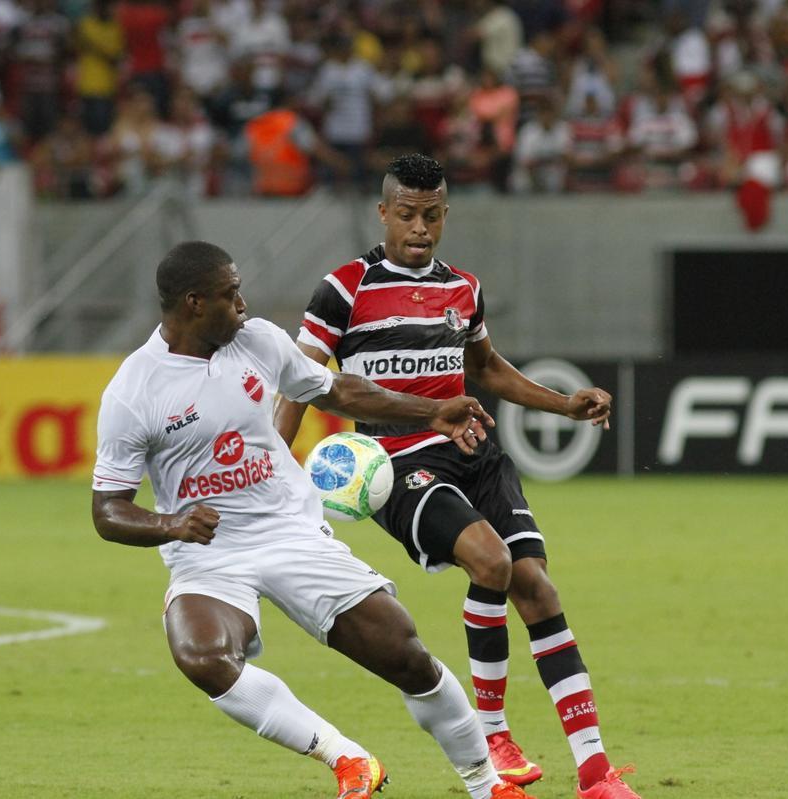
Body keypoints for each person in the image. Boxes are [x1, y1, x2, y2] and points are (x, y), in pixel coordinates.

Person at [91, 240, 534, 799]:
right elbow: (107, 511)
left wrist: (432, 411)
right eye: (231, 295)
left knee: (405, 655)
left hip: (288, 531)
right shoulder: (134, 391)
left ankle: (486, 783)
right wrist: (170, 525)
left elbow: (339, 390)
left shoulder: (258, 342)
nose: (244, 303)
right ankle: (346, 758)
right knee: (202, 656)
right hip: (208, 554)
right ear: (194, 303)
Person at [275, 154, 643, 799]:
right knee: (491, 561)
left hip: (476, 456)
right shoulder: (345, 288)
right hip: (397, 466)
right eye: (409, 215)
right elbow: (304, 382)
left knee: (538, 588)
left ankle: (595, 772)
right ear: (384, 212)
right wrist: (273, 468)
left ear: (446, 214)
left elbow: (488, 369)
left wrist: (565, 404)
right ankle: (494, 737)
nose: (421, 228)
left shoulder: (462, 288)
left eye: (433, 215)